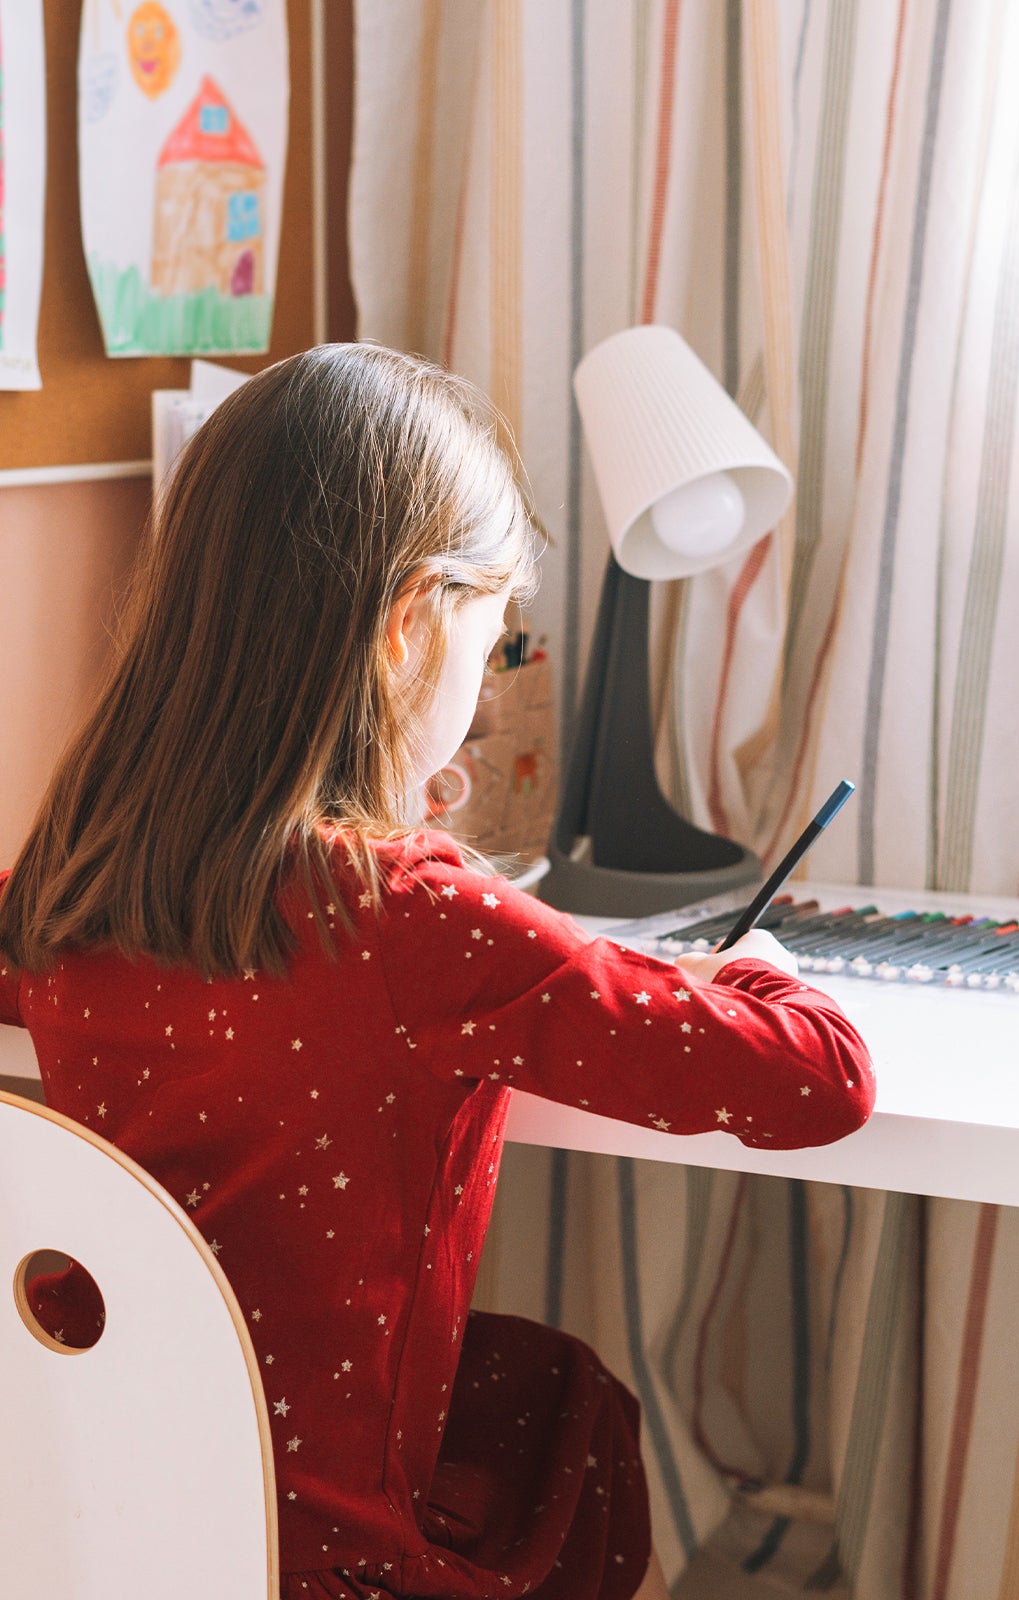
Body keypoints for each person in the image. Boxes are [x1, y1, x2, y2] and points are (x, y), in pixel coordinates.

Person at [0, 344, 874, 1600]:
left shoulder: (73, 880)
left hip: (112, 1520)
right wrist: (769, 973)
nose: (484, 676)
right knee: (572, 1419)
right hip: (332, 1558)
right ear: (410, 625)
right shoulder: (405, 914)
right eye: (495, 631)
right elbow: (819, 1082)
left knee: (529, 1382)